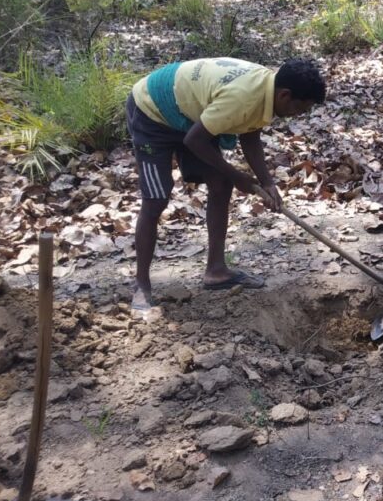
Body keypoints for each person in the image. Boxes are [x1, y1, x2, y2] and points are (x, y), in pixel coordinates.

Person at [125, 56, 326, 312]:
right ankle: (142, 284)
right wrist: (237, 175)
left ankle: (216, 271)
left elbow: (250, 133)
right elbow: (194, 140)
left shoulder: (266, 90)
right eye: (301, 108)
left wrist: (267, 182)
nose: (300, 115)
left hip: (188, 114)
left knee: (220, 183)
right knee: (156, 200)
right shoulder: (243, 97)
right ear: (285, 95)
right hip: (152, 110)